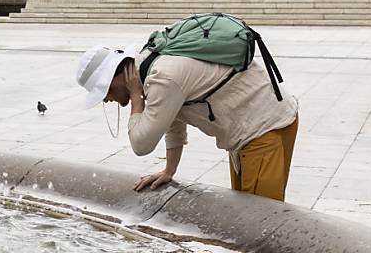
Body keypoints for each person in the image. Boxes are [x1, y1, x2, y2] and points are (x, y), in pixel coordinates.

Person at [75, 42, 299, 202]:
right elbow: (171, 117)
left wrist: (136, 98)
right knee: (245, 213)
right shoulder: (151, 66)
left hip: (264, 126)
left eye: (106, 90)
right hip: (248, 131)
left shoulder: (160, 77)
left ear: (116, 76)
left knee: (258, 222)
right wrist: (169, 170)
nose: (107, 98)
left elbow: (141, 145)